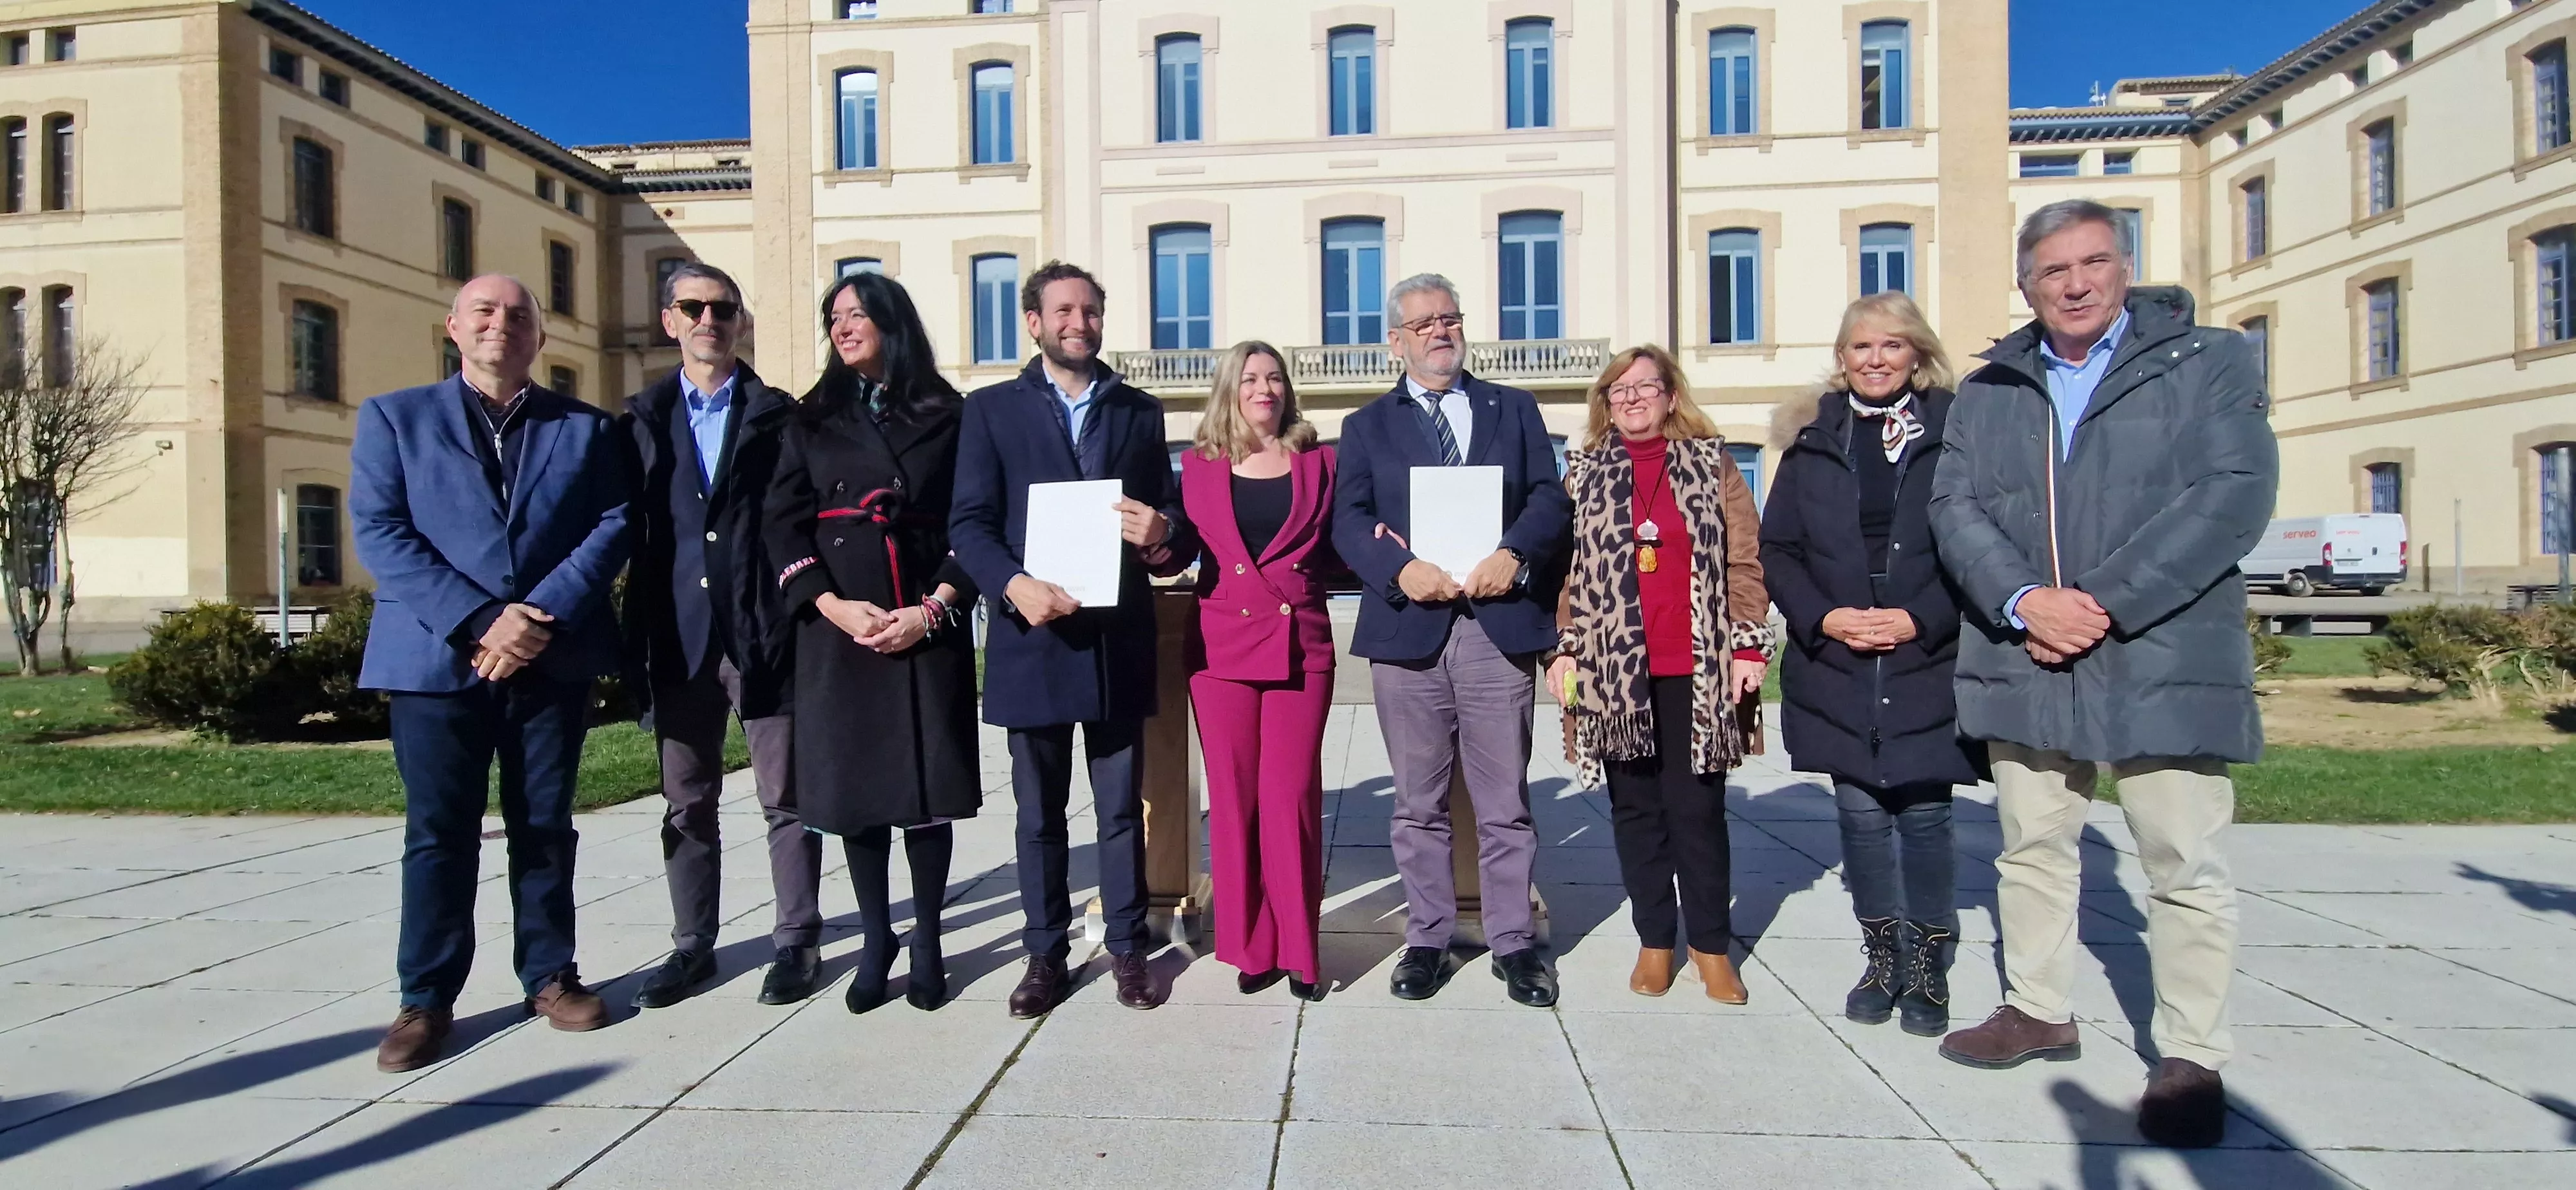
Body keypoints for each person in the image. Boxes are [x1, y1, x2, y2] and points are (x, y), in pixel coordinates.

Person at [1929, 199, 2277, 1149]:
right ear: (2027, 285)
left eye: (2091, 264)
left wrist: (2101, 603)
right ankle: (2037, 1007)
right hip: (2027, 649)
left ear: (2123, 267)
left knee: (2182, 862)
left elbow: (2233, 498)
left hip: (2158, 648)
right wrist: (2024, 602)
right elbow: (1955, 505)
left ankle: (2193, 1052)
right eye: (2053, 271)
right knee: (2032, 846)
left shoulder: (2207, 361)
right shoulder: (1992, 385)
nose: (2075, 284)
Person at [352, 274, 630, 1072]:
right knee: (439, 833)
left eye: (519, 316)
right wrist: (482, 620)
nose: (500, 325)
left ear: (540, 338)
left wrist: (534, 618)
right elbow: (382, 531)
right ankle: (426, 998)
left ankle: (549, 975)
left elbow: (613, 526)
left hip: (551, 657)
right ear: (453, 328)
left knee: (544, 824)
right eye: (484, 311)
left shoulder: (585, 429)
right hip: (435, 659)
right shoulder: (394, 419)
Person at [949, 260, 1198, 1018]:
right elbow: (968, 524)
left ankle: (1127, 950)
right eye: (1063, 311)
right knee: (1038, 815)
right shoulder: (989, 411)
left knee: (1122, 809)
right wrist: (1011, 585)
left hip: (1115, 639)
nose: (1078, 323)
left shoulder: (1138, 412)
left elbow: (1171, 527)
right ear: (1034, 322)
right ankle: (1044, 954)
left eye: (1090, 310)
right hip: (1034, 640)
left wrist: (1162, 535)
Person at [1331, 272, 1572, 1008]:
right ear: (1395, 341)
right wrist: (1401, 570)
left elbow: (1547, 498)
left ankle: (1512, 943)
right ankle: (1428, 937)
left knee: (1505, 803)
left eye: (1451, 318)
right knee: (1417, 804)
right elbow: (1347, 520)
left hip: (1497, 627)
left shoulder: (1513, 407)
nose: (1441, 331)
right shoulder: (1368, 425)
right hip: (1411, 631)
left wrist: (1518, 556)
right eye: (1424, 323)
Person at [1760, 292, 1982, 1037]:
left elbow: (1979, 543)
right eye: (1860, 347)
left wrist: (1920, 616)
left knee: (1923, 810)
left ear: (1916, 352)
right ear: (1842, 357)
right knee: (1857, 810)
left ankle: (1927, 962)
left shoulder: (1959, 430)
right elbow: (1779, 549)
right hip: (1839, 640)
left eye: (1891, 345)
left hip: (1925, 638)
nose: (1875, 359)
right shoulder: (1812, 439)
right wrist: (1823, 618)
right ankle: (1881, 953)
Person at [764, 272, 980, 1013]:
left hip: (927, 623)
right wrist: (829, 605)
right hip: (841, 634)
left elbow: (975, 520)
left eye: (857, 314)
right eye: (834, 317)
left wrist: (936, 606)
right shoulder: (809, 418)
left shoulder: (950, 414)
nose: (843, 326)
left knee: (924, 790)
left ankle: (926, 939)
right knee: (858, 794)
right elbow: (781, 526)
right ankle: (878, 938)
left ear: (894, 321)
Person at [618, 262, 824, 1011]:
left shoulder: (778, 414)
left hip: (762, 633)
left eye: (724, 308)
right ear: (669, 320)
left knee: (786, 796)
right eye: (694, 307)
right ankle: (691, 946)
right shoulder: (638, 421)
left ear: (739, 321)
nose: (710, 319)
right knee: (685, 801)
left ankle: (797, 940)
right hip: (675, 639)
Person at [1544, 345, 1771, 1006]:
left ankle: (1711, 948)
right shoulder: (1582, 476)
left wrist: (1750, 647)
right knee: (1635, 810)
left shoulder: (1711, 465)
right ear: (1605, 404)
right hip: (1614, 673)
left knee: (1697, 811)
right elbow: (1564, 576)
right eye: (1620, 390)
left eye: (1647, 386)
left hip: (1696, 669)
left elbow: (1743, 560)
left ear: (1672, 396)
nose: (1633, 398)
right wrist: (1564, 651)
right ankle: (1654, 941)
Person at [1180, 341, 1337, 1002]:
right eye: (1249, 378)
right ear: (1229, 389)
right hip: (1220, 652)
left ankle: (1299, 950)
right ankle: (1252, 947)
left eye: (1273, 377)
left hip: (1301, 645)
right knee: (1235, 802)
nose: (1264, 389)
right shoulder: (1194, 468)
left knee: (1291, 800)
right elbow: (1177, 548)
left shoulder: (1322, 462)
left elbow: (1349, 538)